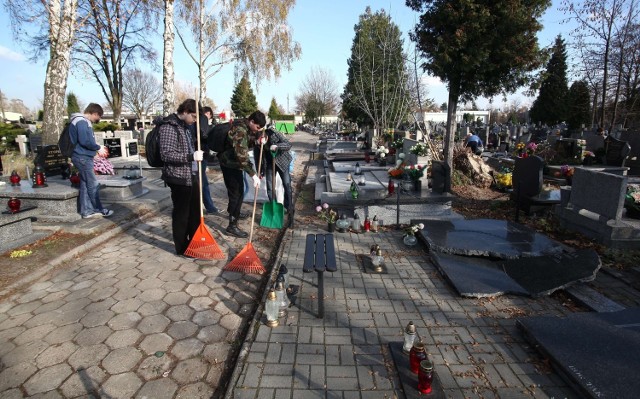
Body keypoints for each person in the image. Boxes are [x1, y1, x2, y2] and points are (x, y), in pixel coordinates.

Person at [158, 99, 204, 256]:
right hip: (178, 178)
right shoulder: (169, 127)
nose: (195, 120)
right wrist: (191, 156)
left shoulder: (185, 127)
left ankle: (195, 243)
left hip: (191, 175)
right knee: (182, 215)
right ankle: (182, 248)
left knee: (195, 213)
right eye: (194, 116)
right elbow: (167, 154)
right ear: (184, 111)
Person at [218, 110, 266, 238]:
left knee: (238, 191)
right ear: (251, 121)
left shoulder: (246, 127)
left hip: (233, 163)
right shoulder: (240, 130)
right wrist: (253, 175)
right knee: (236, 193)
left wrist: (257, 141)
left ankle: (235, 212)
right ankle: (232, 225)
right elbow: (242, 156)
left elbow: (246, 143)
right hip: (229, 164)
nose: (257, 130)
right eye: (257, 127)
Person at [69, 103, 114, 219]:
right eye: (99, 117)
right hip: (82, 157)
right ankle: (98, 209)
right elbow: (85, 141)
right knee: (93, 184)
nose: (98, 119)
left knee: (85, 184)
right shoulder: (82, 122)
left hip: (83, 156)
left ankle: (86, 211)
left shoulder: (80, 121)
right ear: (95, 113)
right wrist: (98, 148)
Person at [255, 123, 292, 213]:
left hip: (282, 163)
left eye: (261, 140)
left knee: (287, 185)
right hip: (269, 165)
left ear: (265, 136)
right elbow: (257, 158)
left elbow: (288, 144)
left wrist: (278, 146)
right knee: (270, 187)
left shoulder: (274, 133)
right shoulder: (257, 143)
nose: (260, 143)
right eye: (258, 142)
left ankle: (288, 207)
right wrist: (259, 172)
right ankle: (274, 206)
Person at [194, 106, 224, 216]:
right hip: (200, 155)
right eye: (210, 115)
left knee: (200, 182)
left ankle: (201, 207)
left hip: (198, 154)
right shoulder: (203, 118)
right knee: (202, 182)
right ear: (208, 113)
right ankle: (209, 208)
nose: (209, 118)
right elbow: (203, 134)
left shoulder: (196, 120)